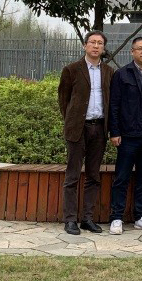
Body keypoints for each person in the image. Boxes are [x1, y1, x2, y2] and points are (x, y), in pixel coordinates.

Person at [57, 30, 112, 236]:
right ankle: (70, 219)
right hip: (78, 129)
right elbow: (64, 100)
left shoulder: (109, 71)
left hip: (99, 128)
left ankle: (88, 218)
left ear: (103, 48)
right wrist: (72, 121)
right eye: (92, 42)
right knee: (72, 175)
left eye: (100, 43)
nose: (96, 46)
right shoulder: (71, 70)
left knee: (93, 175)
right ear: (85, 45)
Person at [107, 36, 142, 234]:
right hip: (128, 136)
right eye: (139, 48)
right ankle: (116, 217)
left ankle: (141, 216)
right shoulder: (122, 74)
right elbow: (114, 105)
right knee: (122, 177)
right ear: (132, 52)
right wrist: (115, 131)